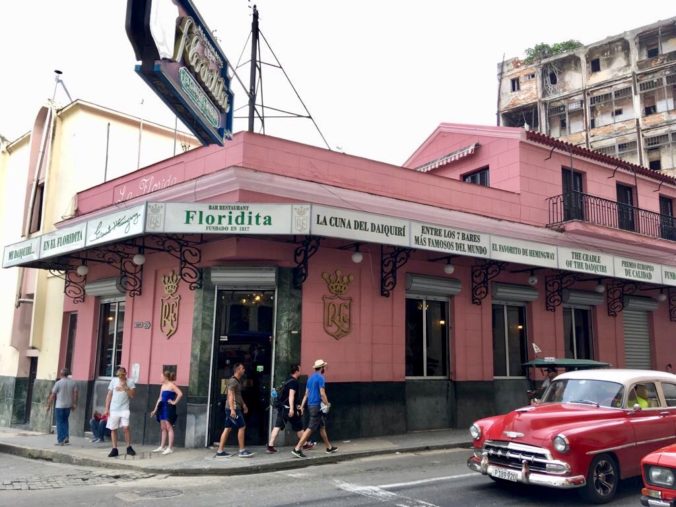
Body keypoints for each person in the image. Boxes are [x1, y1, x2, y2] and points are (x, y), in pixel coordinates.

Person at [291, 359, 337, 458]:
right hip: (317, 406)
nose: (325, 368)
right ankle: (297, 448)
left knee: (321, 426)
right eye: (324, 366)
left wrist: (302, 406)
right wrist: (327, 403)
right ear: (322, 368)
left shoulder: (310, 378)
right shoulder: (321, 378)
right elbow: (322, 393)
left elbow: (306, 394)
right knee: (310, 428)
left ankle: (328, 447)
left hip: (310, 405)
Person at [266, 364, 316, 454]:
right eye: (300, 370)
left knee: (278, 426)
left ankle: (270, 445)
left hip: (283, 408)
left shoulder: (287, 379)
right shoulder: (294, 382)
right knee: (298, 427)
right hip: (289, 409)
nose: (301, 371)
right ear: (296, 371)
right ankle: (304, 444)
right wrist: (292, 409)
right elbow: (291, 396)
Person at [215, 363, 254, 458]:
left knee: (227, 428)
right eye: (242, 368)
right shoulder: (233, 381)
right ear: (238, 370)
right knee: (242, 427)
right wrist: (232, 409)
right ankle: (242, 450)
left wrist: (244, 405)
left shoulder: (237, 381)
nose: (244, 370)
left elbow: (238, 395)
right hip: (233, 409)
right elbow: (230, 395)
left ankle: (220, 451)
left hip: (234, 408)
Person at [104, 366, 136, 457]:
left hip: (124, 409)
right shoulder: (114, 381)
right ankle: (114, 449)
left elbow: (132, 395)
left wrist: (125, 387)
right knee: (113, 428)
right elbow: (109, 395)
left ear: (125, 374)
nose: (120, 377)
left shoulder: (130, 382)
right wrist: (106, 408)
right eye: (119, 375)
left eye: (122, 374)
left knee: (126, 428)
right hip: (114, 409)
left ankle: (128, 447)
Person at [150, 370, 183, 455]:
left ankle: (170, 448)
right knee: (163, 427)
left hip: (169, 408)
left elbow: (180, 393)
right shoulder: (163, 386)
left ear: (165, 377)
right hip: (162, 407)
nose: (160, 378)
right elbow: (160, 398)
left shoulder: (172, 385)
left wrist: (174, 402)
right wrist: (155, 409)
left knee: (169, 427)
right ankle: (162, 446)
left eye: (161, 376)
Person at [46, 368, 78, 446]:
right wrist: (74, 404)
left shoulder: (58, 383)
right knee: (65, 421)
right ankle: (66, 437)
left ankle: (60, 440)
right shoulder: (73, 383)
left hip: (59, 406)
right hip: (68, 406)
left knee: (59, 423)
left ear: (61, 374)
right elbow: (76, 393)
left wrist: (48, 405)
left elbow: (53, 395)